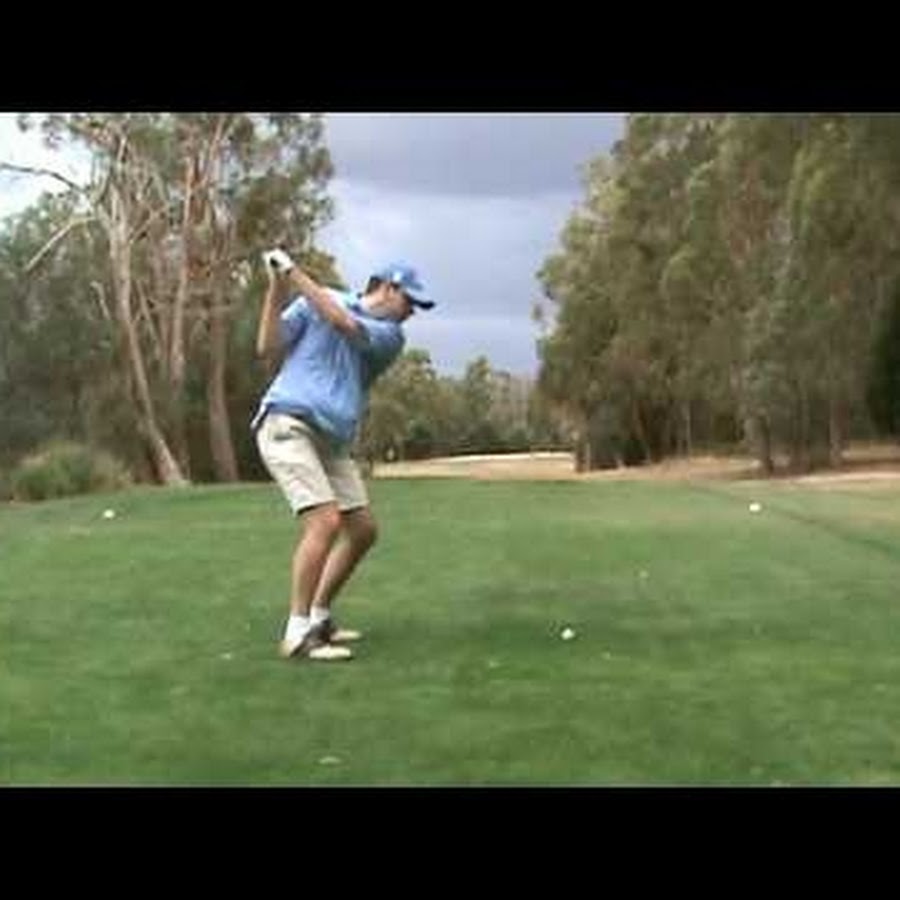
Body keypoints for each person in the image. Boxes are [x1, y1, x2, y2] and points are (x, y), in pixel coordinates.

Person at [252, 248, 435, 661]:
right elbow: (267, 345)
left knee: (363, 530)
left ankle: (319, 617)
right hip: (288, 424)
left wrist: (292, 273)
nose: (411, 312)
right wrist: (276, 287)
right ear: (388, 288)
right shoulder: (318, 300)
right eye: (410, 301)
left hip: (331, 439)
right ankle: (297, 633)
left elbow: (342, 322)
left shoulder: (389, 336)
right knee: (325, 521)